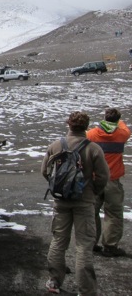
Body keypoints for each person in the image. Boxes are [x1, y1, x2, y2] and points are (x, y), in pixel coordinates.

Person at [41, 111, 109, 295]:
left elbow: (45, 171)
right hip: (85, 201)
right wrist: (93, 190)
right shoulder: (93, 148)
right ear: (86, 127)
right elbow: (103, 176)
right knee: (84, 245)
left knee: (58, 241)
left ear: (68, 125)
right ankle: (85, 290)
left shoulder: (55, 145)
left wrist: (57, 187)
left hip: (61, 201)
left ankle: (54, 281)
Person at [87, 108, 130, 257]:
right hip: (112, 179)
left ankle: (91, 243)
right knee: (113, 214)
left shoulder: (92, 134)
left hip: (95, 178)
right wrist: (118, 121)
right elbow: (124, 126)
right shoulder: (122, 134)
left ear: (105, 118)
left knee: (91, 212)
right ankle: (110, 246)